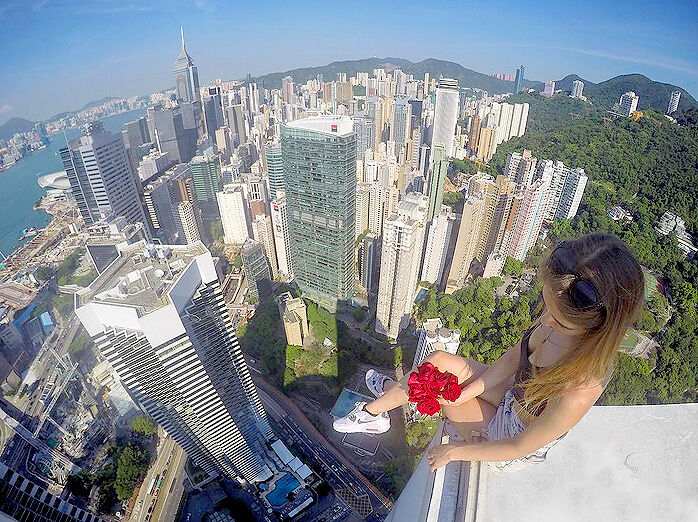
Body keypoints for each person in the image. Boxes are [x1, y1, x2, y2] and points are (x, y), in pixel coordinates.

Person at [333, 233, 645, 473]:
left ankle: (384, 403)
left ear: (596, 328)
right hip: (512, 397)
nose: (546, 321)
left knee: (437, 387)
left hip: (509, 435)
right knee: (437, 362)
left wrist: (454, 451)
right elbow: (513, 358)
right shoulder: (562, 315)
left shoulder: (579, 388)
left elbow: (520, 446)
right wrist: (469, 391)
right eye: (547, 305)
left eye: (560, 321)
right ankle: (380, 407)